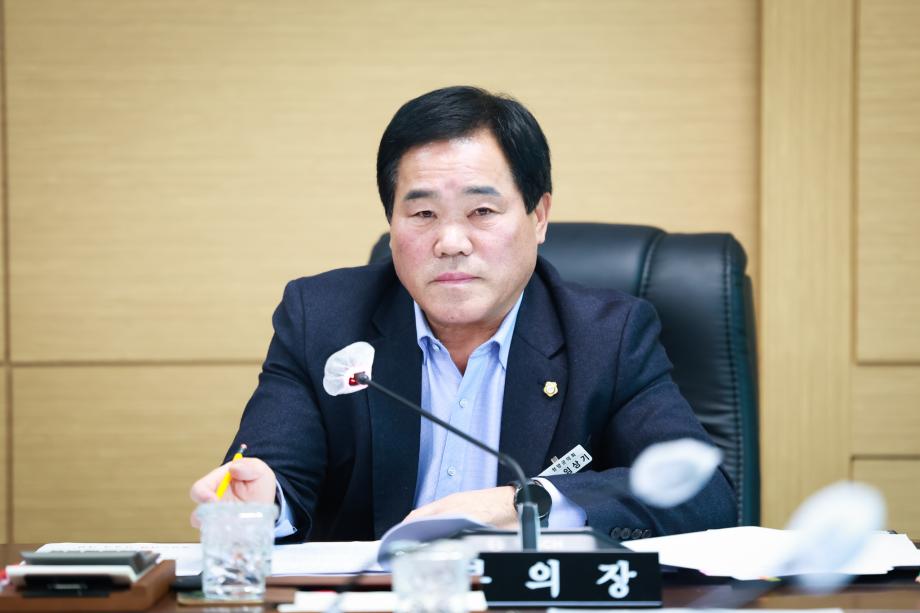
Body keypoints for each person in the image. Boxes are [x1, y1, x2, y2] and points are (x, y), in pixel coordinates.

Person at [190, 86, 735, 542]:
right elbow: (272, 471)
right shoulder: (321, 319)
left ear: (539, 216)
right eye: (423, 213)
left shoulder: (608, 337)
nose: (451, 241)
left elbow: (702, 493)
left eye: (481, 210)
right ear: (391, 222)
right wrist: (263, 502)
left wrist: (527, 503)